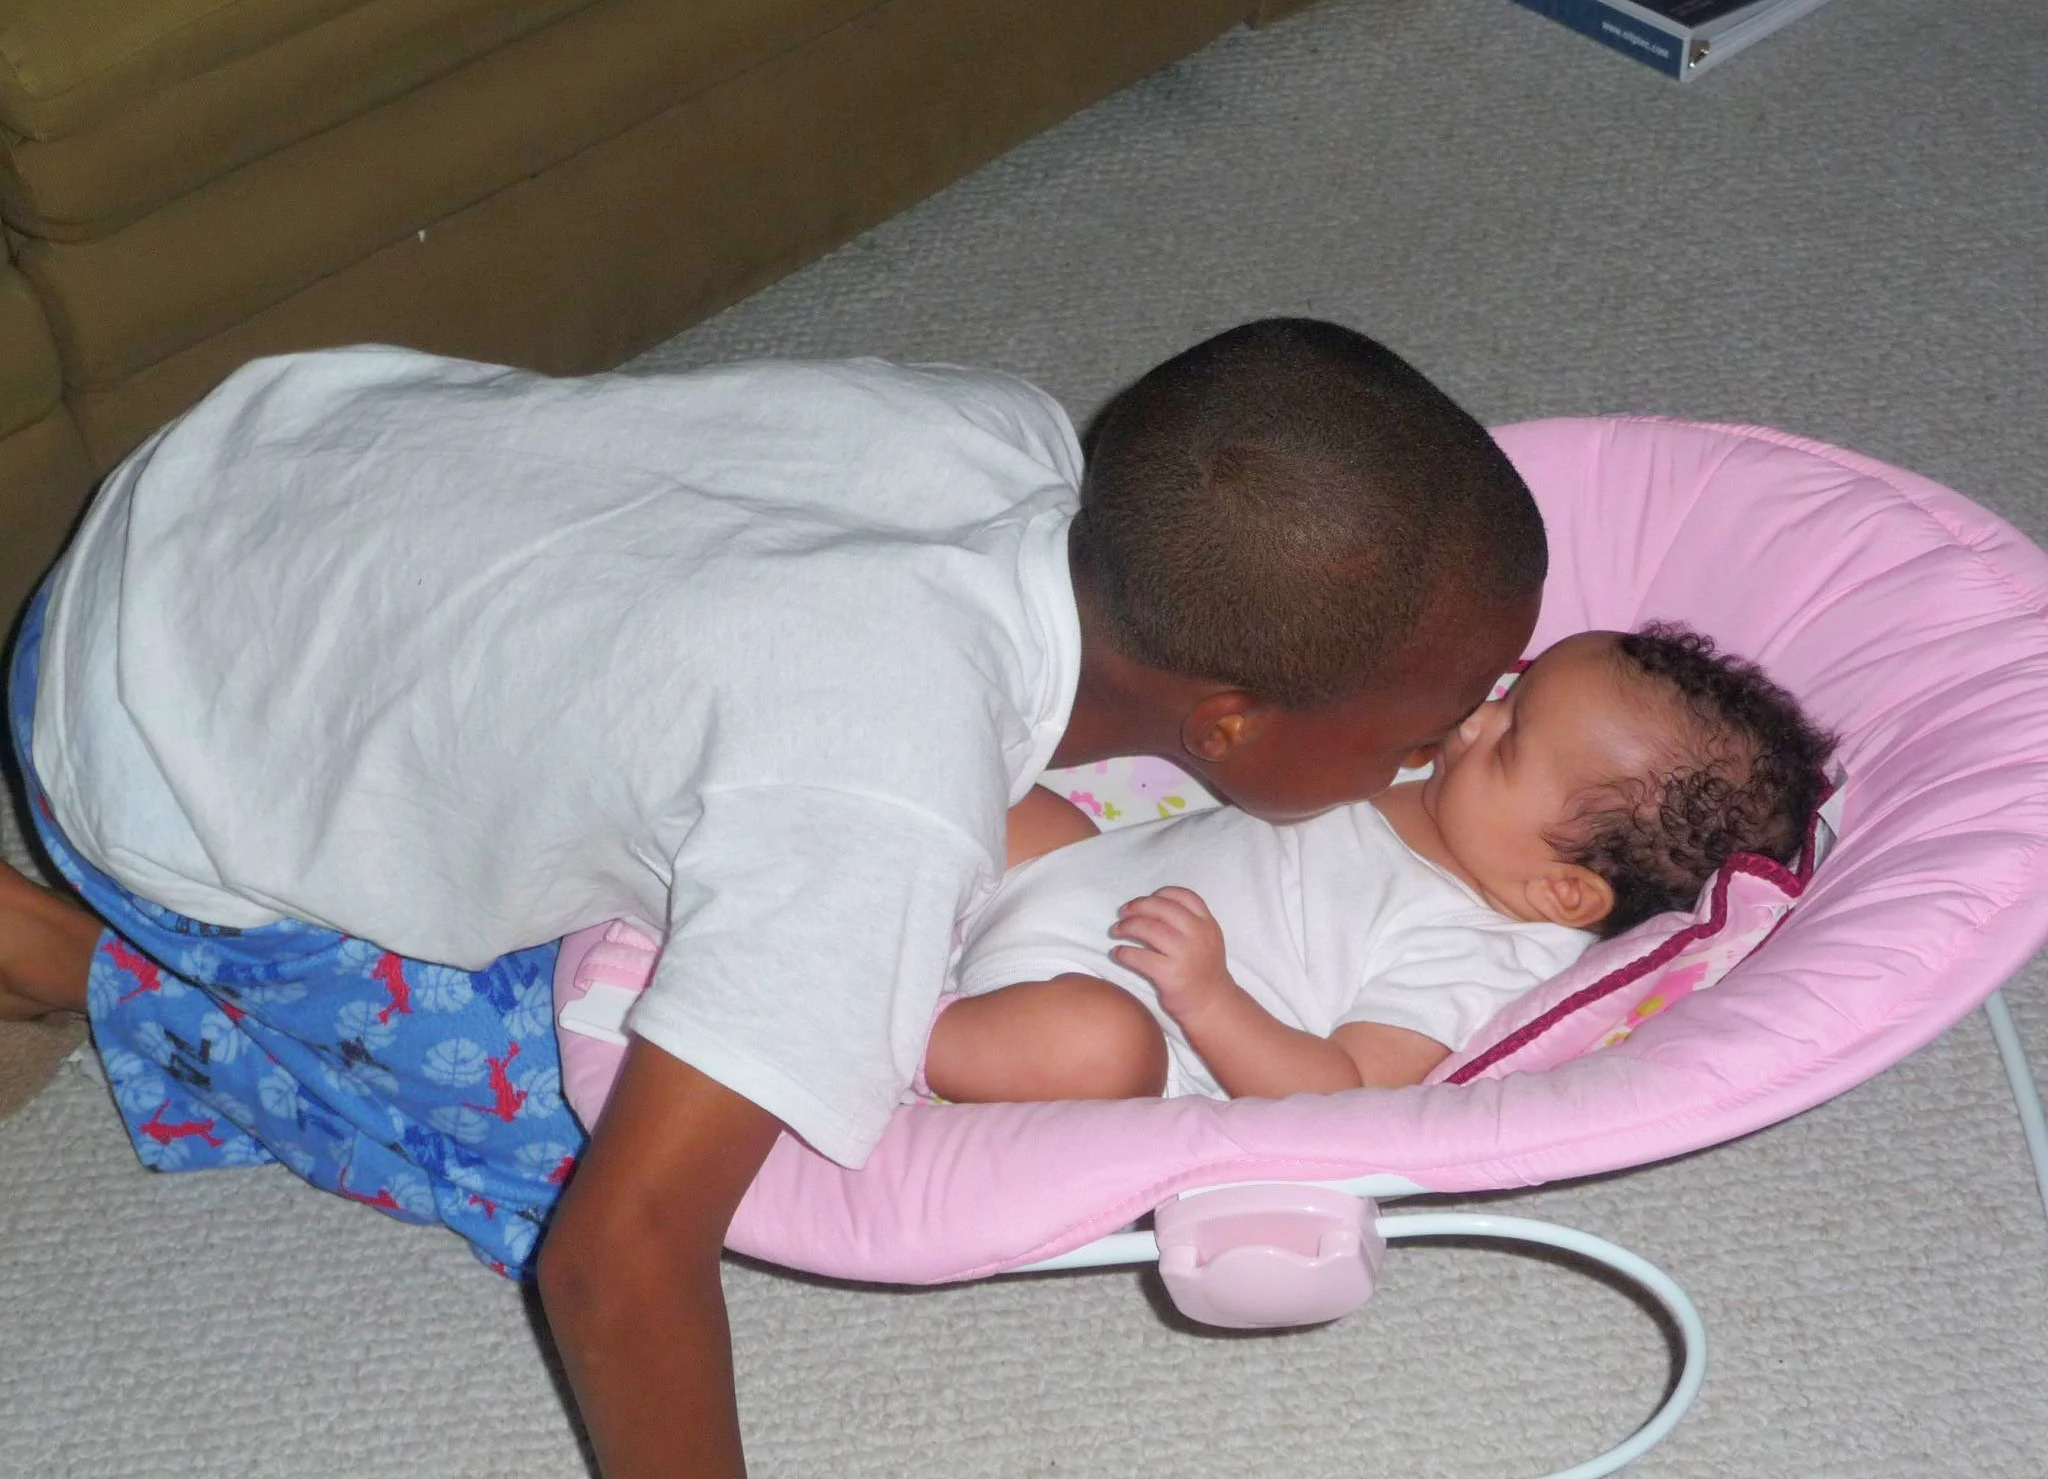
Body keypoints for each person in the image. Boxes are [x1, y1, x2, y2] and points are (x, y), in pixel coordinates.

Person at [0, 318, 1544, 1479]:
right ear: (1226, 724)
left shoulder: (1003, 439)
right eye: (1430, 726)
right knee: (562, 1099)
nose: (1462, 737)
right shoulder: (876, 800)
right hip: (152, 749)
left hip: (240, 481)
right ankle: (64, 951)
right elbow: (617, 1259)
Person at [922, 625, 1839, 1103]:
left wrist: (1211, 998)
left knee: (1092, 1045)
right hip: (1068, 877)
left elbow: (1344, 1092)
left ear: (1562, 888)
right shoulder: (1430, 779)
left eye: (1508, 741)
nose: (1476, 718)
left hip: (1131, 1019)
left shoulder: (1485, 950)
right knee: (974, 773)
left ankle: (892, 1037)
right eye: (1508, 698)